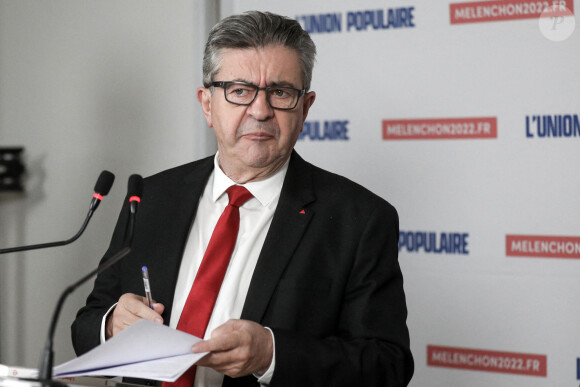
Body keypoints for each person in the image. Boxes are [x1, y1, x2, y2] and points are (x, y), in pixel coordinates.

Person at [72, 10, 414, 387]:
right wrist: (111, 325)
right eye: (240, 90)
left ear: (305, 108)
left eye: (280, 92)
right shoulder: (150, 198)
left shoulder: (359, 219)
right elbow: (87, 325)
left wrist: (272, 353)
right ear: (207, 104)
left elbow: (387, 366)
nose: (261, 110)